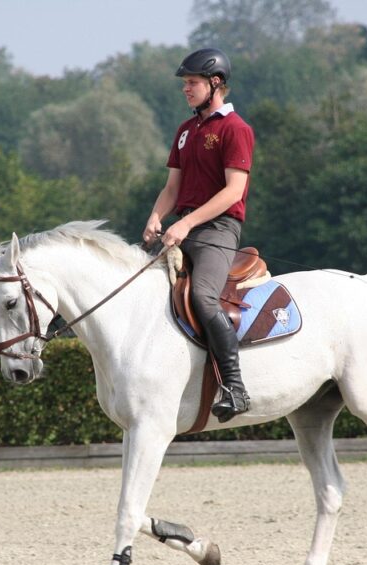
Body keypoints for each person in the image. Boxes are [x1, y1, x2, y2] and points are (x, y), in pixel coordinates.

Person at [143, 47, 255, 423]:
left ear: (216, 83)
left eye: (192, 82)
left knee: (205, 299)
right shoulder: (185, 131)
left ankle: (235, 387)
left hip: (218, 229)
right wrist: (157, 215)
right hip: (181, 228)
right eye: (185, 83)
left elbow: (232, 192)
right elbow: (171, 189)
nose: (185, 89)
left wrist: (187, 224)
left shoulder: (235, 129)